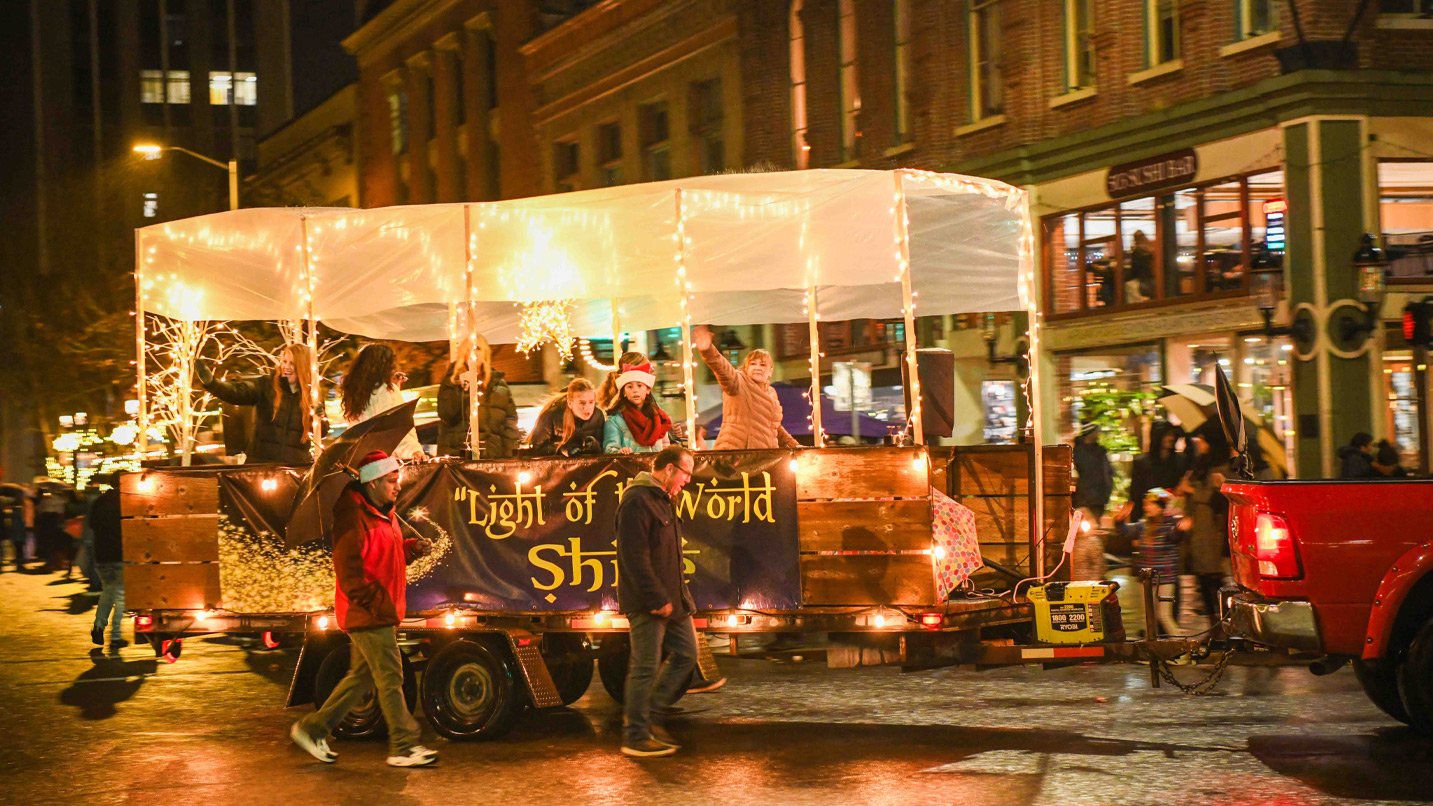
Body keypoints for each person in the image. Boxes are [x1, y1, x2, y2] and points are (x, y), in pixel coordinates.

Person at [290, 450, 439, 768]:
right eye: (390, 480)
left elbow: (387, 554)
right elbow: (349, 572)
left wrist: (412, 548)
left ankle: (312, 728)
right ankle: (403, 746)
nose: (396, 487)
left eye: (396, 480)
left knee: (361, 677)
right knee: (391, 676)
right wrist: (377, 603)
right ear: (371, 482)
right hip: (368, 612)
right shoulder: (351, 517)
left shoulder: (384, 512)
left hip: (381, 609)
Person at [616, 445, 698, 758]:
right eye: (685, 473)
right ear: (667, 469)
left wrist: (679, 598)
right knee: (644, 668)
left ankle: (651, 715)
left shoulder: (663, 500)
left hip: (673, 600)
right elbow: (634, 557)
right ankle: (635, 736)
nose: (688, 480)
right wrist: (655, 597)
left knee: (687, 655)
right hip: (649, 602)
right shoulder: (637, 501)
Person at [197, 342, 325, 465]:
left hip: (295, 468)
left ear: (302, 366)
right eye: (285, 361)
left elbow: (321, 432)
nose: (286, 367)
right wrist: (213, 384)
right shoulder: (266, 385)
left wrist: (321, 418)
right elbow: (237, 393)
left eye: (292, 363)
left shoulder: (312, 394)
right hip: (262, 465)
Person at [693, 325, 799, 450]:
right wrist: (708, 351)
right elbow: (722, 369)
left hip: (766, 456)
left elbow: (774, 427)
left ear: (770, 372)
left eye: (763, 365)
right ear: (746, 368)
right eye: (753, 364)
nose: (758, 367)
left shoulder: (771, 392)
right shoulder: (738, 382)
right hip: (736, 455)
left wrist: (795, 446)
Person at [1114, 487, 1189, 637]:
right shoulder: (1142, 526)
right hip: (1147, 579)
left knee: (1164, 616)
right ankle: (1152, 653)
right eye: (1145, 504)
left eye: (1151, 504)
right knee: (1148, 618)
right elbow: (1124, 532)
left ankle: (1182, 650)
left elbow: (1175, 537)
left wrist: (1181, 530)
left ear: (1160, 507)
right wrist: (1119, 520)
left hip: (1165, 578)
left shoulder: (1169, 524)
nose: (1146, 507)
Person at [436, 337, 520, 459]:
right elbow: (446, 414)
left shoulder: (498, 384)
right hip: (460, 455)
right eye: (469, 349)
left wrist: (510, 454)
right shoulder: (452, 381)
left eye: (478, 349)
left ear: (485, 353)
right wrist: (463, 389)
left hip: (493, 456)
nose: (473, 353)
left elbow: (510, 421)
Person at [340, 344, 424, 460]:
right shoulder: (386, 392)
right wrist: (414, 451)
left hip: (361, 458)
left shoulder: (355, 394)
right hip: (382, 460)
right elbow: (395, 428)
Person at [87, 476, 127, 650]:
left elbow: (92, 524)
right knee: (121, 595)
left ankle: (98, 626)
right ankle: (116, 636)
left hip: (102, 554)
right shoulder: (127, 502)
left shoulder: (99, 502)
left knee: (109, 591)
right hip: (120, 553)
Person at [604, 363, 672, 454]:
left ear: (647, 390)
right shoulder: (615, 420)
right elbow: (610, 449)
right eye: (630, 387)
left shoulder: (658, 416)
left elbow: (666, 447)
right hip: (629, 466)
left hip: (656, 467)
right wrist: (620, 452)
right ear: (624, 391)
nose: (635, 390)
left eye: (639, 385)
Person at [530, 378, 606, 457]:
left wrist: (594, 446)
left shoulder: (598, 416)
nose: (587, 407)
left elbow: (602, 444)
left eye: (591, 402)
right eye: (582, 403)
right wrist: (561, 449)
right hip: (558, 466)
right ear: (570, 403)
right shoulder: (552, 416)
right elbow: (537, 447)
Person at [1127, 421, 1186, 519]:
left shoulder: (1180, 461)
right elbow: (1136, 493)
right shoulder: (1142, 462)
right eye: (1167, 435)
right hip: (1147, 515)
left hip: (1172, 516)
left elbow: (1180, 489)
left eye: (1173, 435)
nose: (1171, 438)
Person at [1072, 424, 1113, 521]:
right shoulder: (1078, 452)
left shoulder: (1100, 451)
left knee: (1094, 527)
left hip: (1098, 499)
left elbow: (1108, 472)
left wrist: (1107, 492)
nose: (1099, 434)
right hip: (1085, 499)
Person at [1125, 230, 1154, 303]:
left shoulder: (1137, 251)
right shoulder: (1149, 250)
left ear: (1135, 240)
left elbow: (1135, 269)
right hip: (1150, 280)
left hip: (1141, 282)